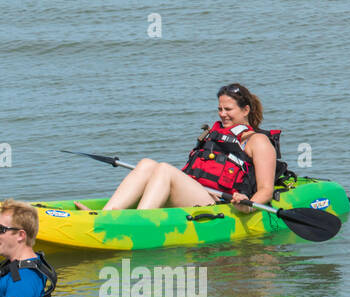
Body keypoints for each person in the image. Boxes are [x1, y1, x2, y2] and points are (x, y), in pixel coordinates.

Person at [97, 83, 285, 211]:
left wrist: (248, 204)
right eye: (220, 109)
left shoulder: (258, 141)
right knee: (146, 163)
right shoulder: (216, 134)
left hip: (217, 203)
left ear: (245, 110)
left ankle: (139, 222)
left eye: (228, 110)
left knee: (164, 169)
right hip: (199, 192)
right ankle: (105, 215)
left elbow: (265, 190)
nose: (222, 114)